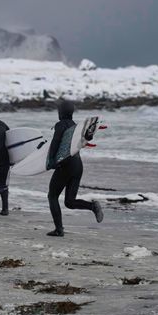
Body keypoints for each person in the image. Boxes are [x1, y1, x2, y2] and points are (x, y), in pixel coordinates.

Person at [46, 100, 103, 237]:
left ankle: (59, 229)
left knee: (52, 196)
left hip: (64, 165)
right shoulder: (76, 127)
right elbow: (84, 141)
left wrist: (52, 160)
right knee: (70, 202)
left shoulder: (60, 125)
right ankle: (92, 206)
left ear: (61, 112)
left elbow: (56, 142)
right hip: (77, 165)